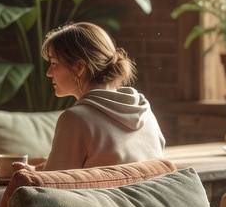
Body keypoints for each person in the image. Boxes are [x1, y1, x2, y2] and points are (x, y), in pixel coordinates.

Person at [41, 22, 165, 170]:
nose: (48, 73)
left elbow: (51, 187)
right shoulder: (146, 112)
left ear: (79, 67)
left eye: (54, 63)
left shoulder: (75, 119)